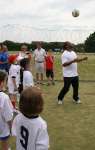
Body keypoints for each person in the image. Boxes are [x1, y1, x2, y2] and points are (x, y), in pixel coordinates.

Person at [0, 70, 13, 150]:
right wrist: (11, 128)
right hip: (2, 126)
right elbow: (8, 117)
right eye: (6, 81)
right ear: (2, 83)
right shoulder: (4, 97)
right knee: (4, 141)